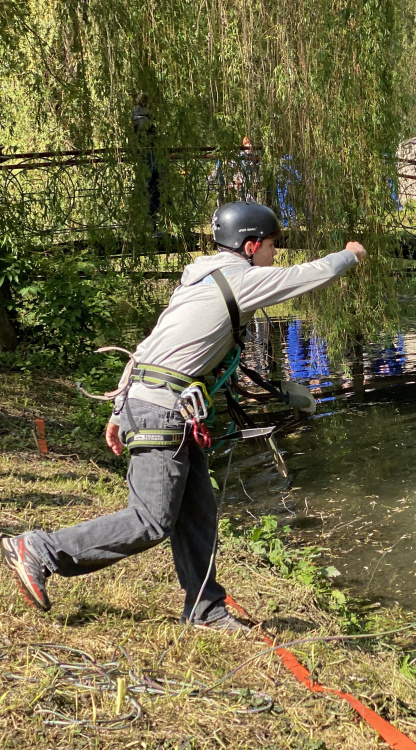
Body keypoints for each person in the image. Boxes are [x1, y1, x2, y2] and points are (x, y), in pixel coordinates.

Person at [0, 202, 366, 631]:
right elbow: (308, 275)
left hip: (159, 402)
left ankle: (205, 610)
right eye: (271, 246)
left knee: (197, 512)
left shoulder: (203, 278)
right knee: (151, 520)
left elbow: (151, 346)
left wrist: (120, 409)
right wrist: (350, 255)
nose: (274, 255)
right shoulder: (240, 279)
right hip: (160, 408)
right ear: (250, 246)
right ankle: (41, 550)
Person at [131, 92, 160, 225]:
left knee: (148, 187)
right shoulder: (143, 117)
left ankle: (147, 220)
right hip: (149, 156)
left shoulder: (135, 116)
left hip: (144, 157)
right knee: (152, 187)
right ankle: (151, 219)